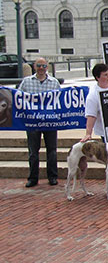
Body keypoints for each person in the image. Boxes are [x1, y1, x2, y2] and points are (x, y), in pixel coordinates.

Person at [19, 58, 61, 187]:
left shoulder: (54, 82)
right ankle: (33, 178)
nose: (41, 68)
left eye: (43, 65)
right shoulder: (26, 82)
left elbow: (60, 100)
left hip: (50, 122)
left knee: (52, 151)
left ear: (47, 67)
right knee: (33, 152)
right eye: (39, 65)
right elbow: (18, 98)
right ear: (34, 66)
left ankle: (52, 177)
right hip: (32, 123)